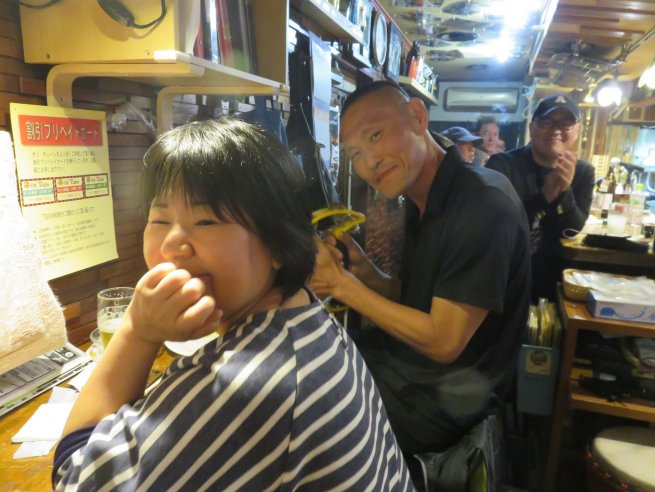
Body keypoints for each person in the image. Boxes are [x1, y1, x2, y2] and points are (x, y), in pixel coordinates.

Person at [52, 118, 413, 491]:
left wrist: (138, 331)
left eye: (206, 221)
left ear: (278, 244)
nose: (172, 245)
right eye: (159, 219)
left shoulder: (242, 381)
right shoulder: (303, 315)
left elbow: (74, 477)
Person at [309, 80, 531, 486]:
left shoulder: (483, 204)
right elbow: (422, 299)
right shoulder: (423, 196)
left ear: (417, 116)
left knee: (305, 412)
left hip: (448, 396)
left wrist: (341, 285)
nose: (369, 162)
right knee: (310, 364)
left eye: (375, 136)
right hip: (412, 368)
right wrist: (365, 275)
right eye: (354, 154)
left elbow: (444, 340)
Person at [487, 93, 595, 302]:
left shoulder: (583, 171)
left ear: (576, 131)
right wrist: (544, 197)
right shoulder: (502, 165)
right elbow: (496, 225)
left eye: (566, 124)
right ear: (532, 128)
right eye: (546, 122)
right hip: (506, 275)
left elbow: (573, 228)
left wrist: (564, 192)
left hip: (555, 277)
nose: (556, 130)